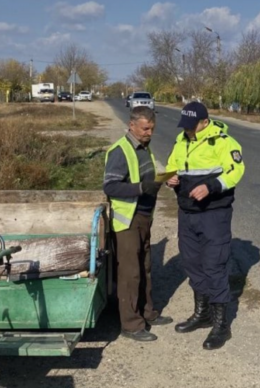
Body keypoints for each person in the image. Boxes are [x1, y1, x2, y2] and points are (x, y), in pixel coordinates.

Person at [166, 101, 245, 350]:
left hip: (213, 214)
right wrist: (171, 176)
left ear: (204, 121)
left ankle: (221, 324)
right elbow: (171, 164)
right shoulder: (181, 141)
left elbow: (235, 171)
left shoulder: (222, 141)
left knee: (214, 266)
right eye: (185, 126)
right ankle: (202, 314)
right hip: (187, 212)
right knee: (192, 263)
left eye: (192, 126)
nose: (188, 131)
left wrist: (211, 186)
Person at [103, 106, 172, 342]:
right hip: (127, 222)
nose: (149, 133)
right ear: (132, 125)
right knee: (130, 273)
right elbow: (110, 186)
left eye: (152, 129)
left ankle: (147, 313)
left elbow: (145, 176)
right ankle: (131, 325)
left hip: (144, 216)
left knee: (145, 267)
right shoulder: (120, 151)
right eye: (145, 128)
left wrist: (162, 179)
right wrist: (141, 188)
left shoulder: (144, 148)